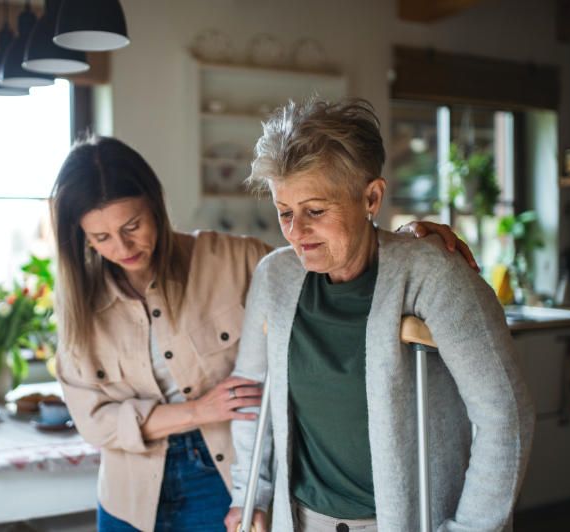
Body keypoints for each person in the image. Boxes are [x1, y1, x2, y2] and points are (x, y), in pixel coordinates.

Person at [50, 134, 477, 531]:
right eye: (100, 237)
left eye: (132, 226)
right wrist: (200, 410)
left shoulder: (237, 260)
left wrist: (398, 242)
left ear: (155, 206)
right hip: (129, 494)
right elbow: (93, 421)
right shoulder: (77, 307)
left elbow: (326, 255)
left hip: (223, 479)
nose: (122, 248)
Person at [226, 98, 534, 532]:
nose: (296, 232)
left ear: (371, 197)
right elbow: (250, 401)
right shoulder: (274, 277)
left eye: (315, 211)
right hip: (296, 520)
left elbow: (505, 413)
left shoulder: (434, 274)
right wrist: (250, 497)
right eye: (284, 213)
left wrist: (472, 529)